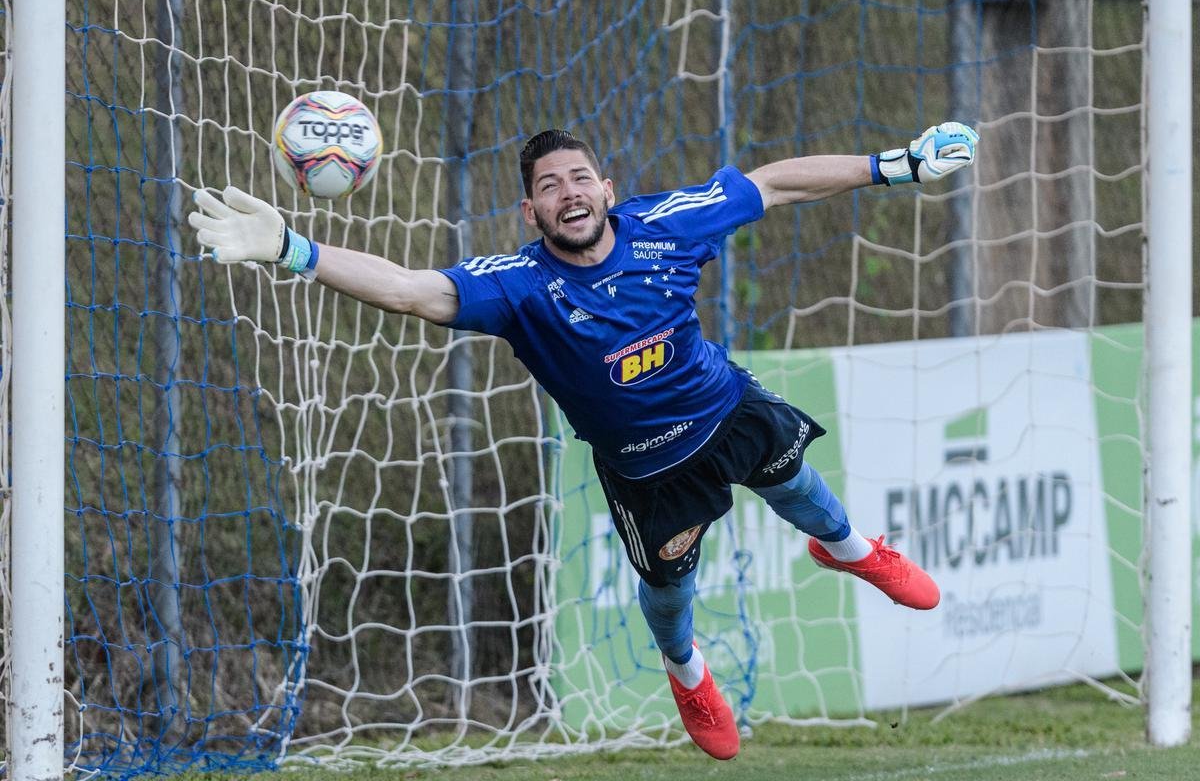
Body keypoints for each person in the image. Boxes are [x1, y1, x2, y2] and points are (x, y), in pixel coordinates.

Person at [188, 121, 979, 760]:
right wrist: (295, 250)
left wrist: (896, 165)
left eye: (577, 178)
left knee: (792, 476)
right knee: (671, 592)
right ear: (531, 214)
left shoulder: (665, 226)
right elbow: (409, 290)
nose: (566, 193)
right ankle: (687, 673)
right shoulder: (519, 287)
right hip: (646, 470)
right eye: (546, 187)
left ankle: (849, 549)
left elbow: (773, 182)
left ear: (605, 189)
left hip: (724, 405)